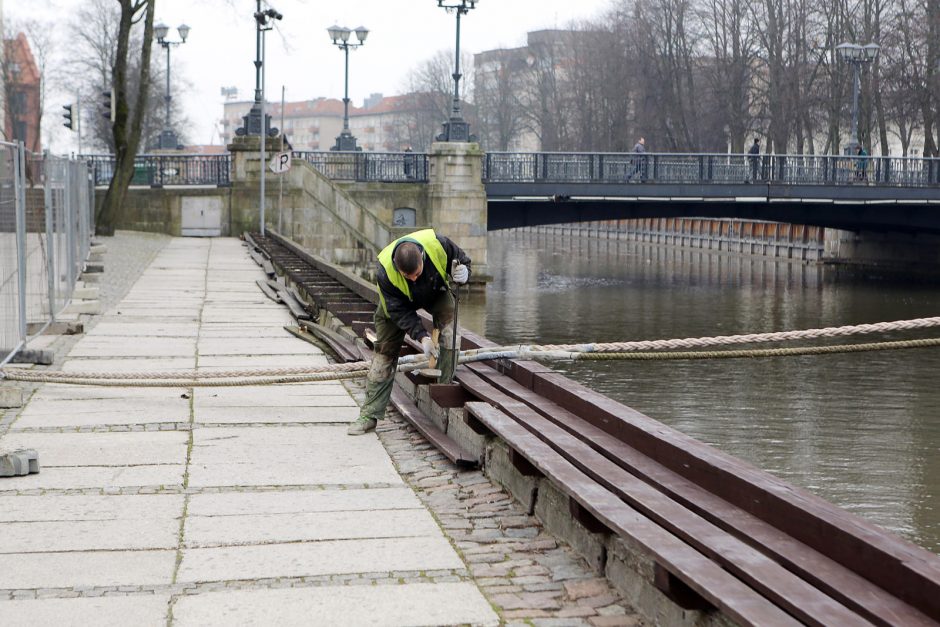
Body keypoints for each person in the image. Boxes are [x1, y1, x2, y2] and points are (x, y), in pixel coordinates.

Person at [347, 229, 471, 436]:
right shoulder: (385, 271)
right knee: (384, 355)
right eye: (408, 276)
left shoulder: (438, 244)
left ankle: (444, 389)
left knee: (449, 334)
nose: (413, 279)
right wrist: (422, 336)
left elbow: (463, 260)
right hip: (397, 306)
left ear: (422, 258)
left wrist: (465, 273)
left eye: (417, 273)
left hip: (434, 292)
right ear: (398, 267)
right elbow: (400, 313)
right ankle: (369, 415)